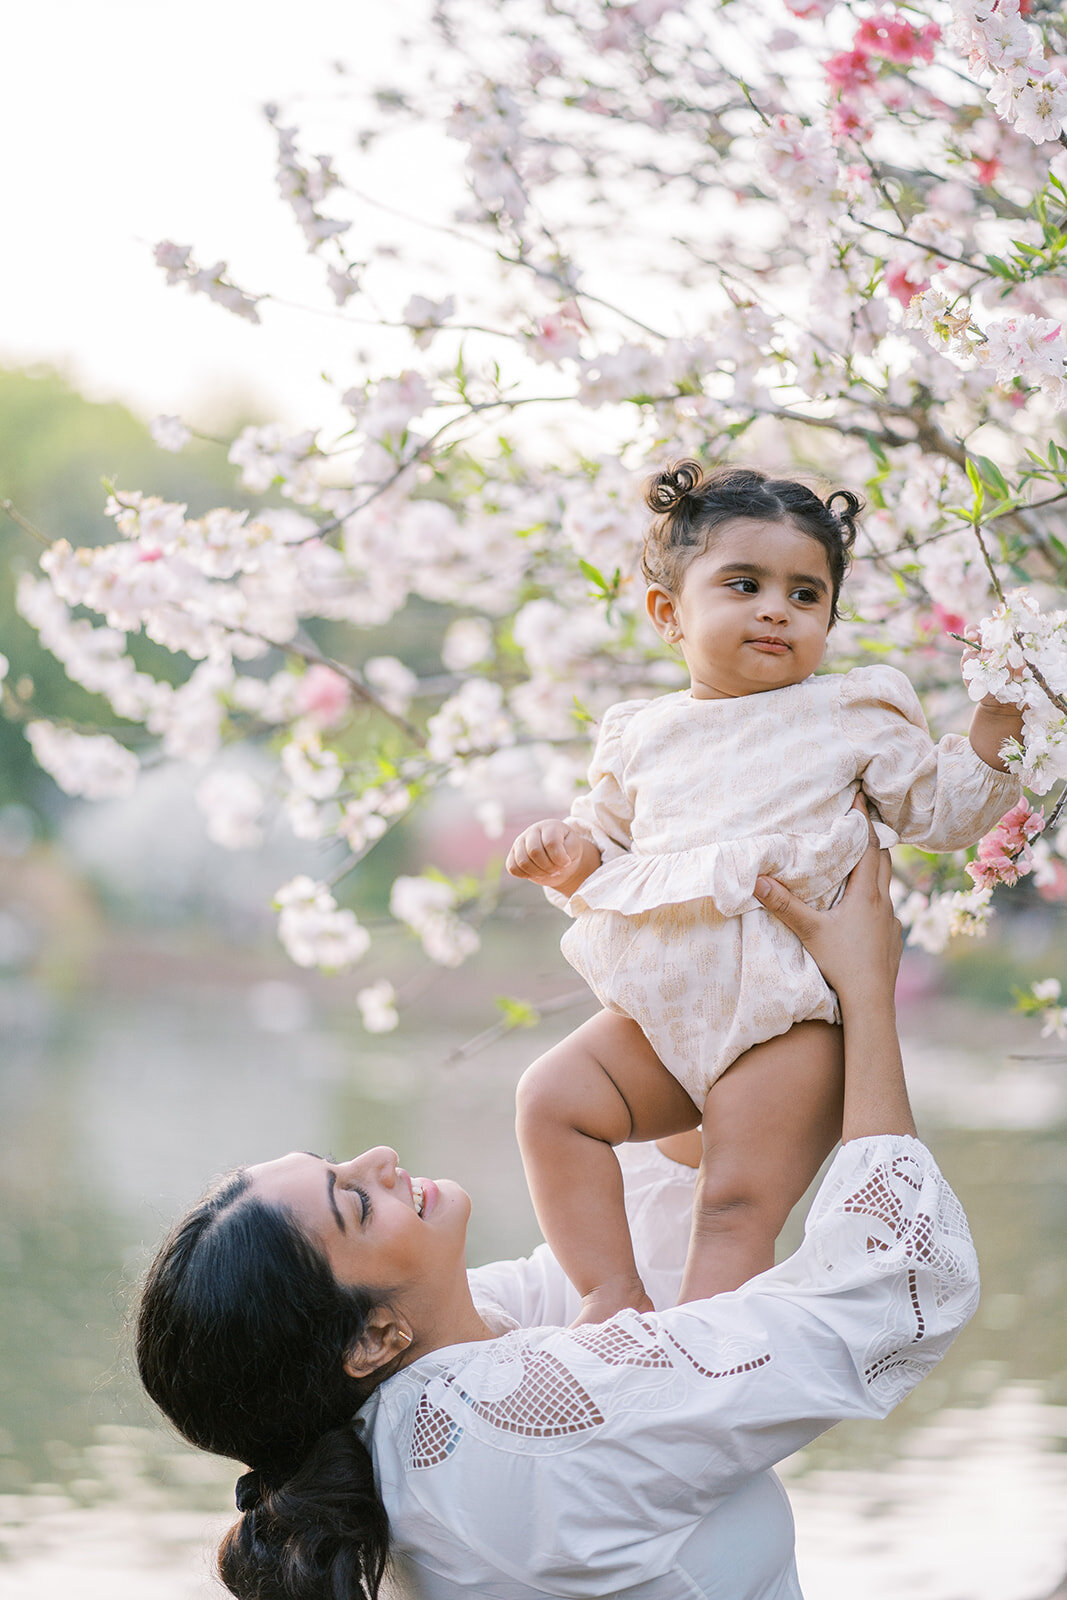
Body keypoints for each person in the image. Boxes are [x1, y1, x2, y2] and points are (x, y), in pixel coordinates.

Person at [136, 824, 980, 1600]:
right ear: (368, 1340)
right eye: (354, 1202)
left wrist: (718, 988)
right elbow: (887, 1291)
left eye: (336, 1162)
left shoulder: (423, 1387)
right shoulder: (517, 1421)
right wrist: (867, 989)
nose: (379, 1160)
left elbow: (647, 1265)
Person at [505, 460, 1020, 1320]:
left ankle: (697, 1376)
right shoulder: (639, 733)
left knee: (734, 1204)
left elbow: (936, 810)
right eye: (743, 584)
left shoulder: (849, 711)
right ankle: (609, 1298)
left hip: (784, 1017)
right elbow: (614, 854)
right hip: (659, 1012)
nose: (776, 608)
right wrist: (569, 859)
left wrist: (995, 730)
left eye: (804, 594)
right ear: (669, 614)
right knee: (550, 1099)